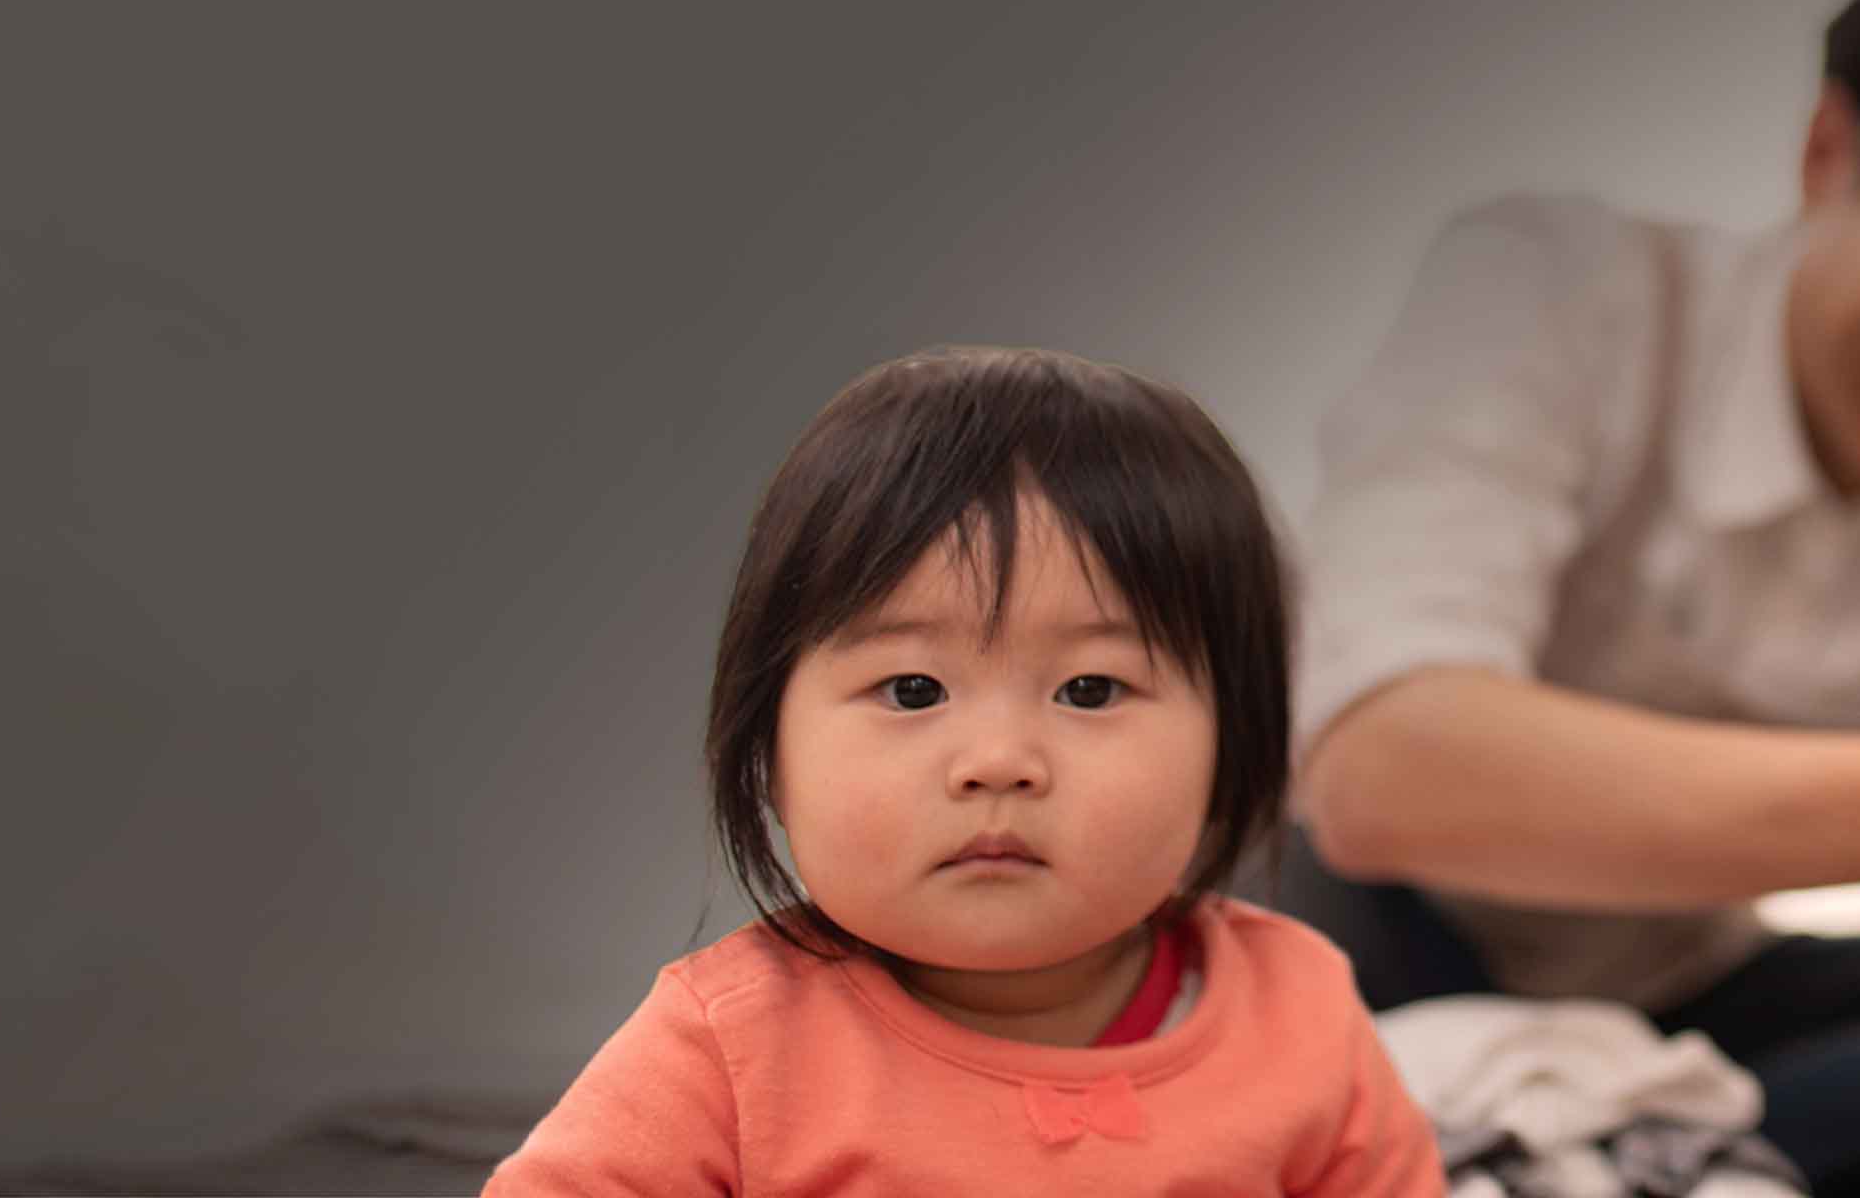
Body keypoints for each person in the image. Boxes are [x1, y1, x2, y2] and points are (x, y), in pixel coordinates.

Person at [1288, 0, 1860, 1196]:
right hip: (1368, 944)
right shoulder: (1557, 288)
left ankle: (1585, 1154)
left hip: (1682, 997)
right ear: (1830, 152)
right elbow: (1379, 768)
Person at [490, 347, 1443, 1195]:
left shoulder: (1298, 1015)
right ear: (767, 752)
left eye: (1090, 690)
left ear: (1232, 745)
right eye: (911, 690)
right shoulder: (731, 1046)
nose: (998, 765)